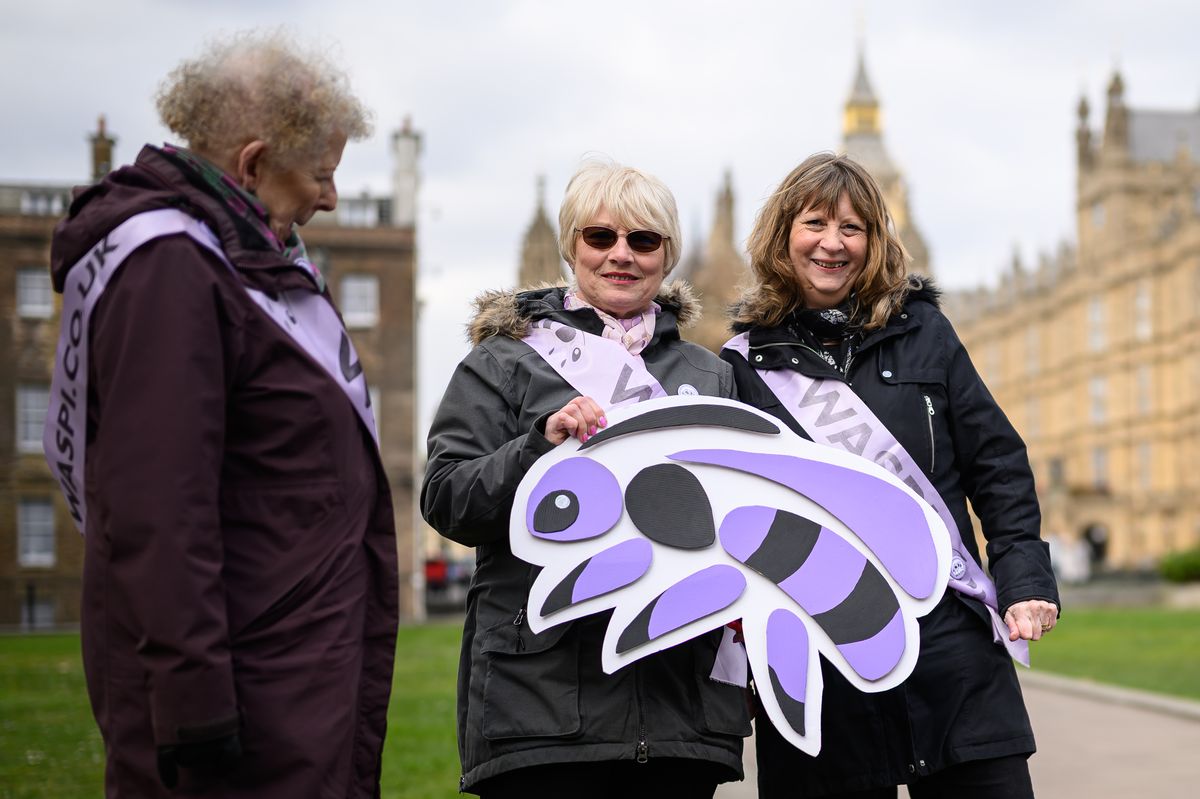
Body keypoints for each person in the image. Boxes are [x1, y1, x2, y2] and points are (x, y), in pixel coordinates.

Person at [45, 32, 398, 797]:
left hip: (285, 675)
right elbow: (159, 508)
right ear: (252, 162)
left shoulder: (238, 258)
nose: (332, 198)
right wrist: (194, 706)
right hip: (240, 701)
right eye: (322, 174)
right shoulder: (173, 268)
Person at [722, 152, 1060, 798]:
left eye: (853, 228)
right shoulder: (742, 367)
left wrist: (1022, 579)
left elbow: (998, 463)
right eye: (815, 223)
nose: (833, 243)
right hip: (823, 663)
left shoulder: (926, 332)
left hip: (951, 650)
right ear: (781, 235)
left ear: (875, 241)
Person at [421, 160, 750, 798]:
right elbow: (448, 500)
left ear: (669, 255)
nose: (621, 255)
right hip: (542, 711)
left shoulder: (711, 376)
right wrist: (535, 450)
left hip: (679, 711)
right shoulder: (505, 361)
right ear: (571, 247)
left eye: (643, 240)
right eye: (600, 237)